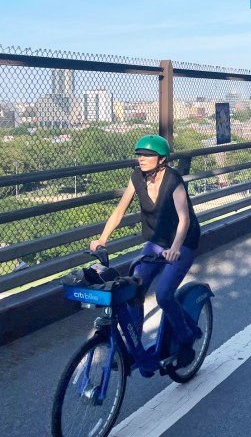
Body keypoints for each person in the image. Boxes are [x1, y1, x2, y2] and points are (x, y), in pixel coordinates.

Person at [90, 134, 201, 366]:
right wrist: (101, 240)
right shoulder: (137, 178)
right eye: (139, 154)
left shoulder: (173, 180)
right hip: (155, 241)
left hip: (182, 243)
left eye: (147, 155)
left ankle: (185, 339)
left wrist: (176, 248)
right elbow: (119, 211)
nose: (141, 158)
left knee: (163, 295)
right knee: (133, 290)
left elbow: (184, 219)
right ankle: (134, 345)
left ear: (161, 159)